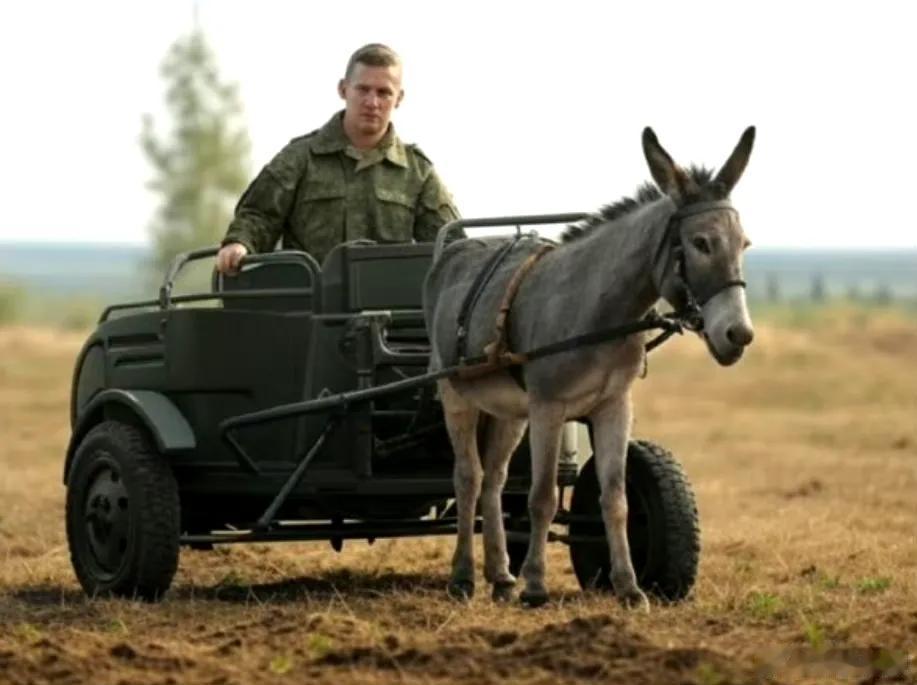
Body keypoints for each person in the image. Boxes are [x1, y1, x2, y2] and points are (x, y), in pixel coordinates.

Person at [216, 43, 459, 274]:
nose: (372, 102)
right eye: (363, 89)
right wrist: (240, 244)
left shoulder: (417, 172)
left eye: (384, 92)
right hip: (309, 308)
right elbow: (258, 215)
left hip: (388, 309)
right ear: (343, 89)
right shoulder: (301, 158)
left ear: (399, 99)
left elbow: (452, 245)